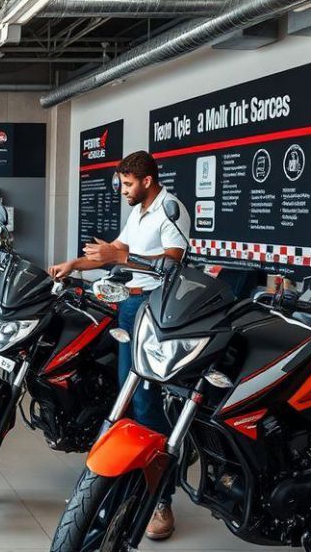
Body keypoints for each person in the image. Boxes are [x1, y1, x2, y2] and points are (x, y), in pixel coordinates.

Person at [47, 150, 190, 541]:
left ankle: (162, 502)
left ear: (146, 181)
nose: (122, 190)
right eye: (121, 184)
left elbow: (174, 262)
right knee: (123, 400)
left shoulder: (170, 209)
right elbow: (113, 252)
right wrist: (74, 265)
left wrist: (122, 255)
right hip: (130, 306)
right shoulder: (138, 211)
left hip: (155, 313)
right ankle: (110, 485)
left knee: (147, 404)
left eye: (127, 184)